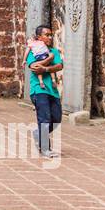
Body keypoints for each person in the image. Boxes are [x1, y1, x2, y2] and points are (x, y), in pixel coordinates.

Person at [25, 25, 63, 157]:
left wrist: (46, 68)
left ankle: (38, 133)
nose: (50, 37)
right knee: (44, 118)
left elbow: (59, 66)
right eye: (46, 35)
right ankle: (45, 148)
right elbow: (34, 67)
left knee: (56, 119)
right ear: (39, 37)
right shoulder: (33, 50)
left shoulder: (54, 51)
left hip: (52, 90)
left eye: (50, 35)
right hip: (38, 89)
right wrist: (49, 60)